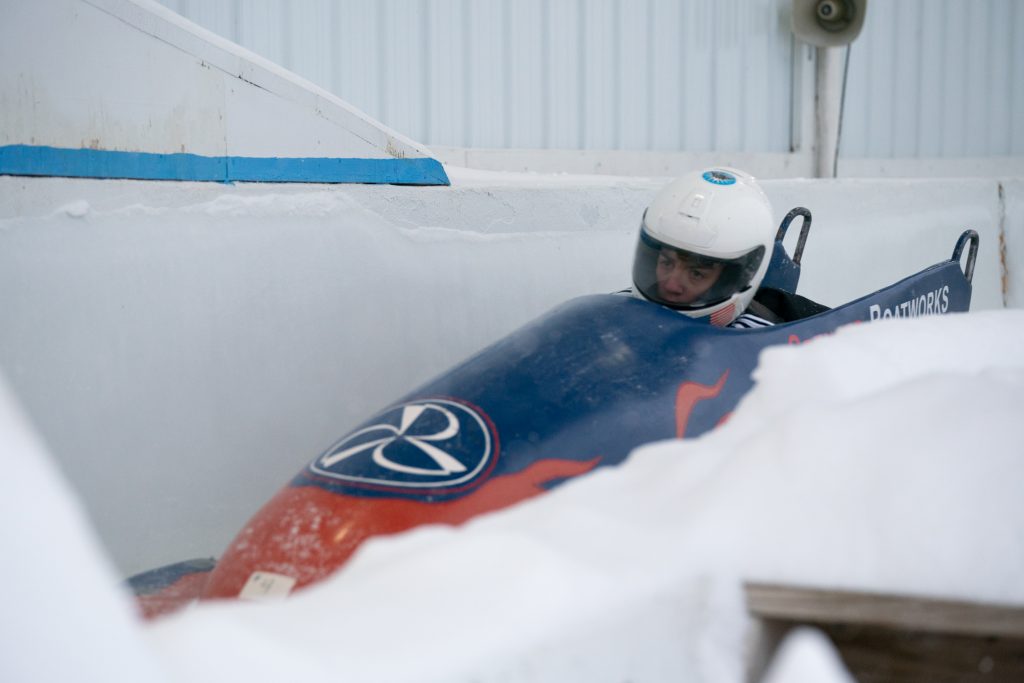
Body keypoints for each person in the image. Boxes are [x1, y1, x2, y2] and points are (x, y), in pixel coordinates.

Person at [630, 167, 779, 328]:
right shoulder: (621, 306)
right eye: (667, 263)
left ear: (726, 280)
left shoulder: (762, 340)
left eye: (696, 274)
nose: (671, 285)